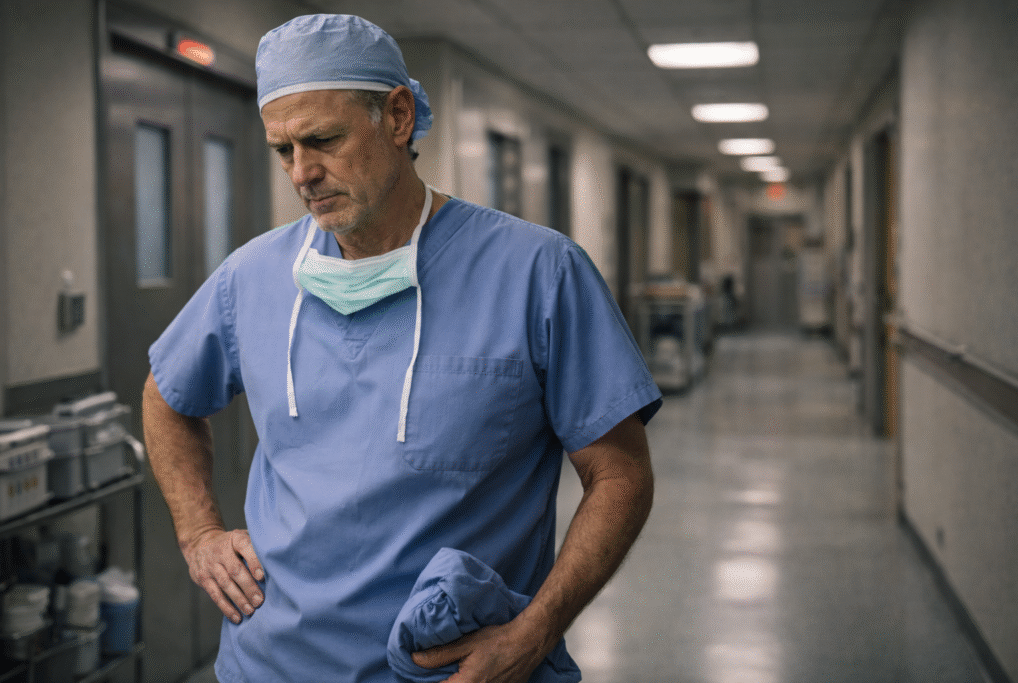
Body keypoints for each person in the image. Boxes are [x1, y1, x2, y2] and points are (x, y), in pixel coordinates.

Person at [143, 13, 661, 683]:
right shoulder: (253, 277)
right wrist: (199, 533)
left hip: (452, 669)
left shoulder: (539, 273)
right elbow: (166, 395)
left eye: (322, 139)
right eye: (283, 149)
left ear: (397, 116)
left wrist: (537, 630)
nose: (301, 172)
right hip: (270, 662)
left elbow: (621, 474)